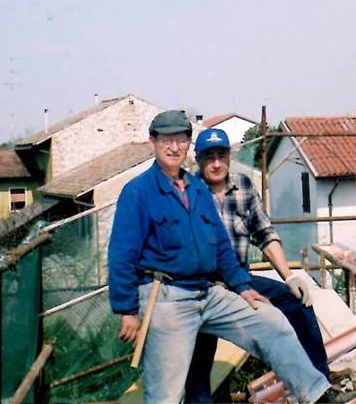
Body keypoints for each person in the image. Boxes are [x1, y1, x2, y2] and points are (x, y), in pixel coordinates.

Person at [108, 111, 330, 404]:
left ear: (188, 143)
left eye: (180, 140)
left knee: (271, 321)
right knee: (168, 392)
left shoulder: (197, 189)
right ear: (153, 142)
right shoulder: (139, 192)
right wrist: (126, 310)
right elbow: (121, 254)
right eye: (167, 140)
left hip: (209, 292)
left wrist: (243, 286)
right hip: (166, 297)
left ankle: (316, 393)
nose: (174, 147)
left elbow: (221, 245)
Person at [184, 128, 330, 402]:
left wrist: (289, 277)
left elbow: (264, 234)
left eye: (221, 156)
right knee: (198, 360)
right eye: (209, 157)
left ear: (229, 157)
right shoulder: (187, 193)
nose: (216, 163)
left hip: (241, 281)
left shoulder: (244, 187)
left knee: (296, 303)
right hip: (201, 287)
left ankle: (319, 387)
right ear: (198, 160)